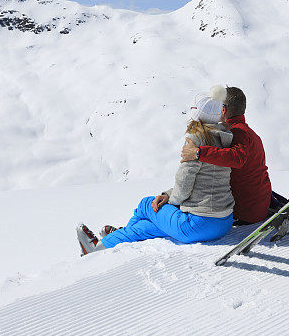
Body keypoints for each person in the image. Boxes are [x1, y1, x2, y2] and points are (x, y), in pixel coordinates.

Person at [77, 87, 235, 255]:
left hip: (197, 225)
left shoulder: (196, 141)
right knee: (150, 226)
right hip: (223, 223)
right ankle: (106, 243)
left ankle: (108, 241)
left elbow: (184, 186)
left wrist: (169, 199)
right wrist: (168, 194)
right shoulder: (225, 139)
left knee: (147, 204)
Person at [180, 86, 274, 225]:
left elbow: (237, 158)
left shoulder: (236, 132)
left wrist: (199, 152)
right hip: (260, 206)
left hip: (245, 213)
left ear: (223, 109)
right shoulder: (250, 133)